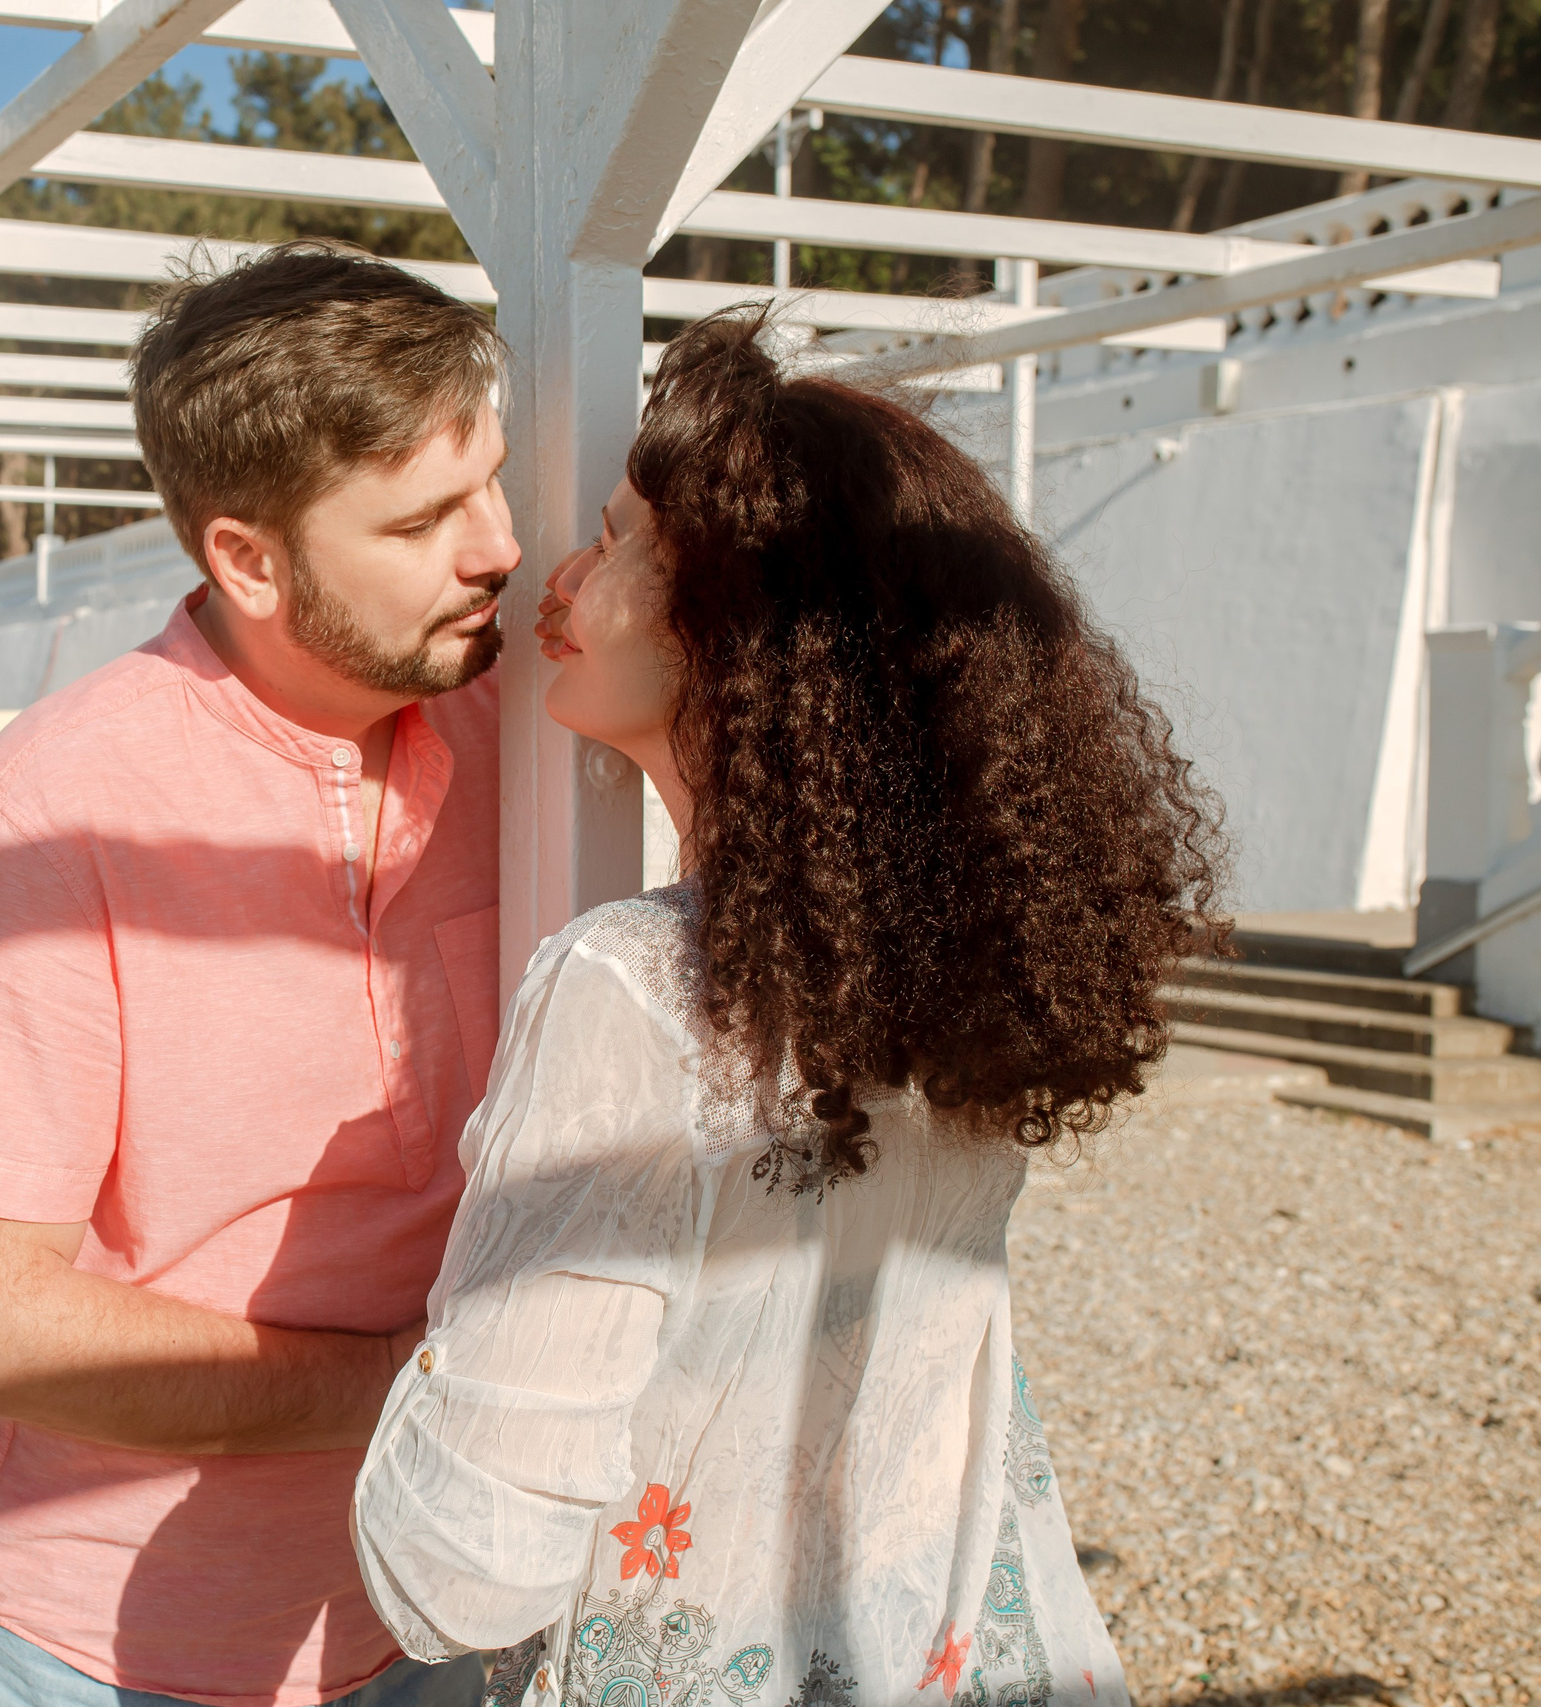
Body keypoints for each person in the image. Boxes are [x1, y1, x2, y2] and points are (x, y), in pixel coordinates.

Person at [352, 313, 1225, 1707]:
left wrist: (412, 1357)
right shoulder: (961, 976)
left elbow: (464, 1568)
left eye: (618, 534)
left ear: (742, 614)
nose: (559, 578)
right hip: (953, 1654)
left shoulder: (632, 987)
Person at [0, 242, 518, 1707]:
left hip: (437, 1601)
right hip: (108, 1647)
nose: (495, 548)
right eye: (423, 519)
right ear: (246, 558)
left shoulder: (519, 740)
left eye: (492, 483)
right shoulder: (43, 819)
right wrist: (415, 1387)